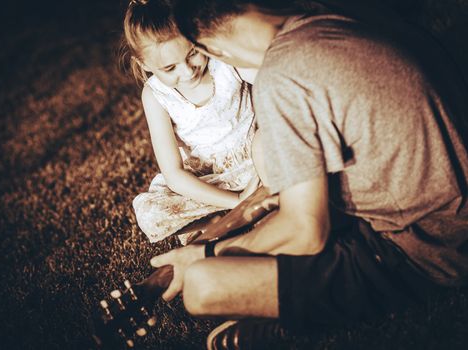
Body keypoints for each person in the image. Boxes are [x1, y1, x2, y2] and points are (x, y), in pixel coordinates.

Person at [148, 0, 468, 348]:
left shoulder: (282, 72)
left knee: (203, 287)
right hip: (447, 200)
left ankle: (304, 319)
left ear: (213, 49)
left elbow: (306, 232)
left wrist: (209, 254)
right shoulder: (339, 13)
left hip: (427, 247)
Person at [122, 0, 260, 245]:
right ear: (145, 64)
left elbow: (267, 75)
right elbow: (174, 174)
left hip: (256, 159)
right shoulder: (155, 96)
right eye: (170, 67)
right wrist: (237, 199)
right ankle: (234, 212)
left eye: (193, 53)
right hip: (210, 180)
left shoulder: (222, 61)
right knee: (151, 213)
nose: (187, 72)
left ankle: (236, 217)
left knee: (275, 155)